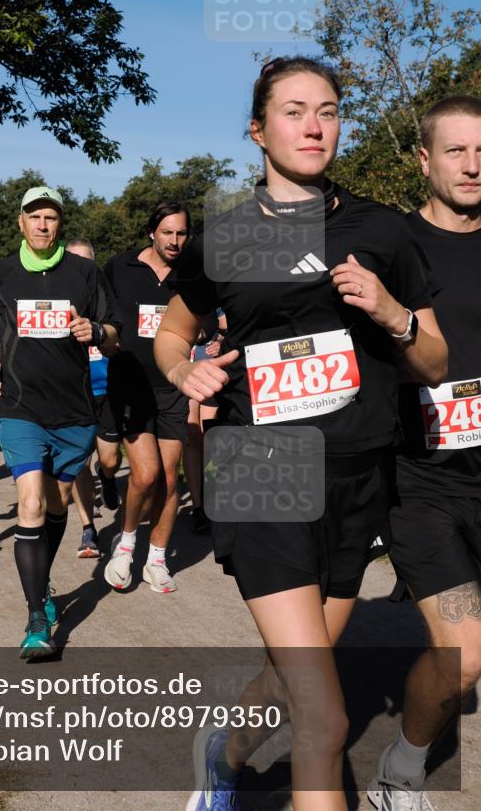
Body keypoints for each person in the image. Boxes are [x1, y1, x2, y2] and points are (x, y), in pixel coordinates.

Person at [153, 56, 448, 811]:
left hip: (357, 479)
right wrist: (185, 370)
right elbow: (172, 331)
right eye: (293, 111)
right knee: (326, 718)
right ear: (258, 130)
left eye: (328, 110)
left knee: (291, 678)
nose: (314, 126)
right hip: (262, 470)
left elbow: (434, 359)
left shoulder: (381, 229)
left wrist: (392, 314)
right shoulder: (224, 235)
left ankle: (223, 753)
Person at [368, 96, 481, 811]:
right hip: (421, 483)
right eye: (456, 151)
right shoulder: (391, 245)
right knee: (464, 654)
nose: (472, 165)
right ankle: (399, 775)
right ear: (423, 160)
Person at [0, 186, 121, 658]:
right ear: (20, 222)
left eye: (50, 217)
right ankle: (37, 619)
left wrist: (96, 330)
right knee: (30, 502)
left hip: (74, 411)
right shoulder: (1, 272)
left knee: (56, 505)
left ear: (59, 224)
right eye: (34, 216)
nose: (41, 224)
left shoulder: (85, 273)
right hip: (21, 406)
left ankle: (41, 582)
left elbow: (115, 335)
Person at [102, 200, 191, 594]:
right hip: (130, 383)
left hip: (174, 384)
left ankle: (156, 559)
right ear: (151, 232)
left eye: (181, 233)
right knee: (145, 474)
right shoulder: (119, 267)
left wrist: (200, 333)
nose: (174, 241)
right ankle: (125, 545)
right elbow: (104, 316)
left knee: (169, 479)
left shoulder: (192, 273)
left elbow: (205, 323)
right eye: (167, 232)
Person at [64, 238, 117, 559]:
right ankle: (88, 529)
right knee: (78, 461)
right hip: (73, 394)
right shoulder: (56, 303)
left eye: (85, 261)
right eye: (73, 261)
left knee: (109, 460)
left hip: (108, 392)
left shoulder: (107, 299)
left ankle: (107, 476)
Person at [183, 309, 226, 535]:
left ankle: (210, 499)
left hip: (210, 371)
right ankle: (197, 506)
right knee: (192, 439)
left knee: (209, 440)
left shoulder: (214, 295)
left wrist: (220, 341)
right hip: (186, 372)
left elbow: (227, 324)